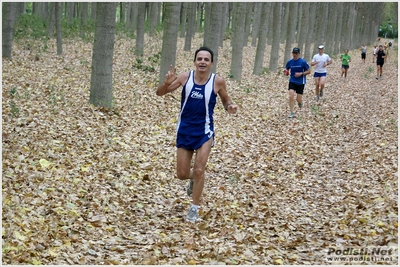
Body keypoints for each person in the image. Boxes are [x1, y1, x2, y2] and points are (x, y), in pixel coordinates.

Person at [156, 47, 238, 223]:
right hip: (185, 129)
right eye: (199, 59)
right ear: (195, 62)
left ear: (211, 63)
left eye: (206, 59)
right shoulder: (185, 77)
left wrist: (229, 106)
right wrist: (166, 83)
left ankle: (194, 208)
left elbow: (225, 100)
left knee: (200, 169)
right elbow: (160, 93)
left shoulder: (218, 81)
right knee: (182, 173)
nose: (202, 62)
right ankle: (194, 179)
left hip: (204, 131)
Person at [284, 47, 310, 118]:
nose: (295, 55)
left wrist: (301, 74)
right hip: (292, 80)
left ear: (299, 54)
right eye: (293, 53)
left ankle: (300, 102)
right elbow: (287, 69)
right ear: (292, 53)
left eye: (296, 53)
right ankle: (292, 112)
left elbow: (309, 71)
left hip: (301, 82)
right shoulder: (290, 62)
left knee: (298, 99)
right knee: (291, 96)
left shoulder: (303, 62)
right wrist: (286, 72)